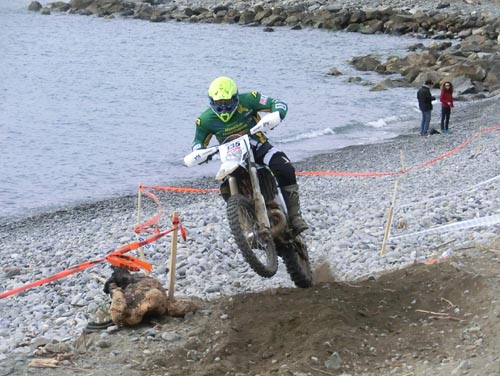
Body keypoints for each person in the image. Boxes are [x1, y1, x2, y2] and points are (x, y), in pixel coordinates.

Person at [190, 76, 308, 235]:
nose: (224, 108)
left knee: (284, 167)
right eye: (219, 104)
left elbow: (277, 103)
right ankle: (247, 226)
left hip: (258, 147)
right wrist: (198, 152)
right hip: (232, 157)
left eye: (227, 102)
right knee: (225, 189)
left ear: (236, 98)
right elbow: (198, 141)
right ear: (212, 102)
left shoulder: (250, 99)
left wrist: (277, 115)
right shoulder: (204, 120)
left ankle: (295, 216)